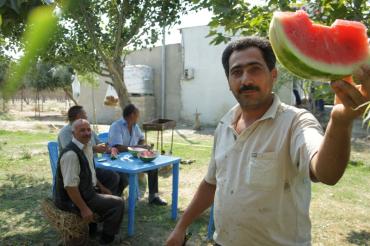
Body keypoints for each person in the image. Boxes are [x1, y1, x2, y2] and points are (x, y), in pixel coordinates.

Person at [166, 36, 370, 245]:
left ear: (273, 75)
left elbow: (326, 172)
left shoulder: (295, 122)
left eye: (255, 69)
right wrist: (181, 227)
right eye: (236, 72)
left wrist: (340, 121)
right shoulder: (224, 124)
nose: (246, 80)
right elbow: (211, 183)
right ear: (228, 82)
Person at [54, 119, 124, 244]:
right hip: (70, 200)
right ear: (73, 133)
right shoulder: (71, 154)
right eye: (82, 130)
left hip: (85, 191)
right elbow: (70, 187)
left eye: (88, 129)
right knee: (118, 204)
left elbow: (90, 173)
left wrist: (101, 187)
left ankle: (93, 229)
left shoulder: (86, 147)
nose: (87, 133)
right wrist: (84, 209)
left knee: (113, 180)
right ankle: (106, 239)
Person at [58, 105, 126, 196]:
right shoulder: (65, 132)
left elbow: (99, 142)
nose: (87, 117)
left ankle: (110, 197)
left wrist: (107, 148)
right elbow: (72, 151)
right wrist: (95, 148)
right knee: (113, 176)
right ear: (78, 117)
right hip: (79, 169)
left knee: (123, 175)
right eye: (85, 115)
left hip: (93, 164)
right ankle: (104, 199)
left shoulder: (87, 128)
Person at [108, 104, 167, 206]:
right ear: (132, 115)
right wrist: (136, 148)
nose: (139, 117)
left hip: (133, 159)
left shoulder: (135, 126)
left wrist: (143, 146)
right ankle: (115, 199)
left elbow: (141, 138)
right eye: (138, 114)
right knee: (124, 177)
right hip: (118, 161)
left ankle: (154, 197)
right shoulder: (116, 126)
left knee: (153, 168)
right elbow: (117, 147)